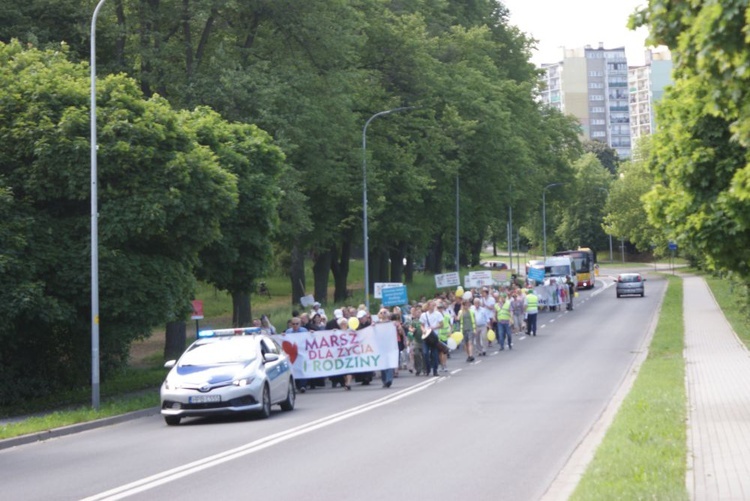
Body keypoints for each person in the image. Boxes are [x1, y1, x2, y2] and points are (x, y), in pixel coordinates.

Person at [419, 300, 443, 377]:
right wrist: (423, 330)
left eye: (434, 305)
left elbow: (441, 324)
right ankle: (428, 368)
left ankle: (435, 370)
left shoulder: (438, 314)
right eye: (432, 305)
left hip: (434, 335)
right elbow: (422, 325)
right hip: (426, 336)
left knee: (434, 354)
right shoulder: (424, 315)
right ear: (428, 306)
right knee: (425, 353)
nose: (434, 306)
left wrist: (434, 327)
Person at [285, 317, 309, 392]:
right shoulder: (288, 332)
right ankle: (297, 385)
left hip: (301, 353)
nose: (295, 325)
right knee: (294, 369)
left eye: (297, 324)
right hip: (292, 354)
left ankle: (302, 386)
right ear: (291, 324)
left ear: (300, 324)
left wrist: (311, 334)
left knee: (302, 368)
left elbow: (308, 340)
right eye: (293, 324)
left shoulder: (304, 331)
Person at [408, 304, 425, 375]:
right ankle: (418, 369)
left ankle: (425, 368)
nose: (418, 313)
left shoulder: (424, 320)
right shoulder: (414, 321)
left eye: (419, 312)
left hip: (424, 340)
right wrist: (412, 330)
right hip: (416, 340)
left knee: (425, 354)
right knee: (416, 354)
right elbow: (410, 328)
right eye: (417, 312)